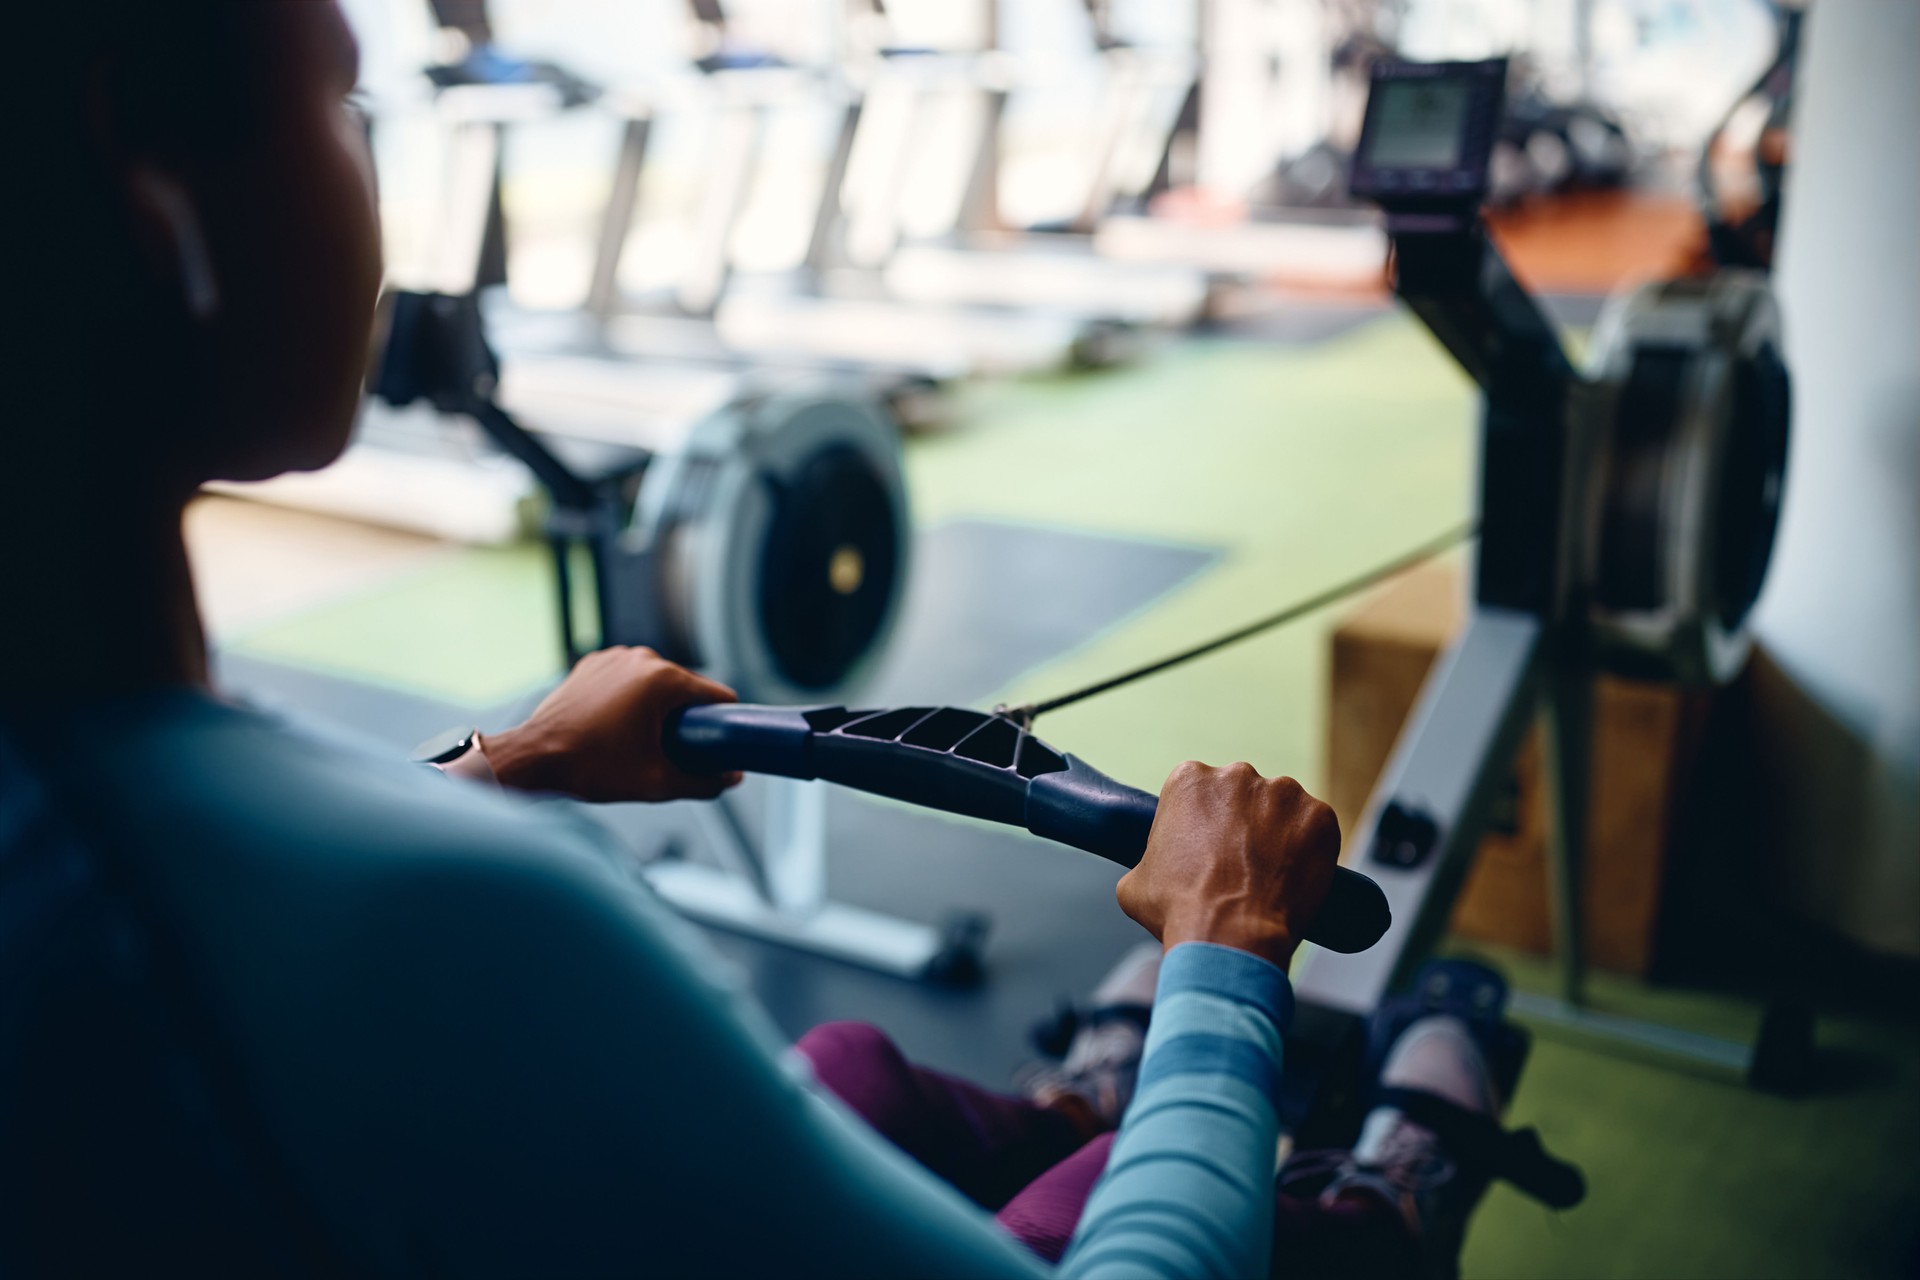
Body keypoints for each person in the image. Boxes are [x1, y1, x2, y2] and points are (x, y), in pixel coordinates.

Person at [0, 2, 1504, 1276]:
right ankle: (1378, 1179)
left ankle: (1083, 1099)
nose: (368, 176)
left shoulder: (109, 831)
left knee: (845, 1069)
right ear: (154, 187)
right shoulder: (478, 919)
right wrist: (1229, 952)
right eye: (339, 99)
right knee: (1200, 1216)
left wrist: (506, 763)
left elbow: (248, 924)